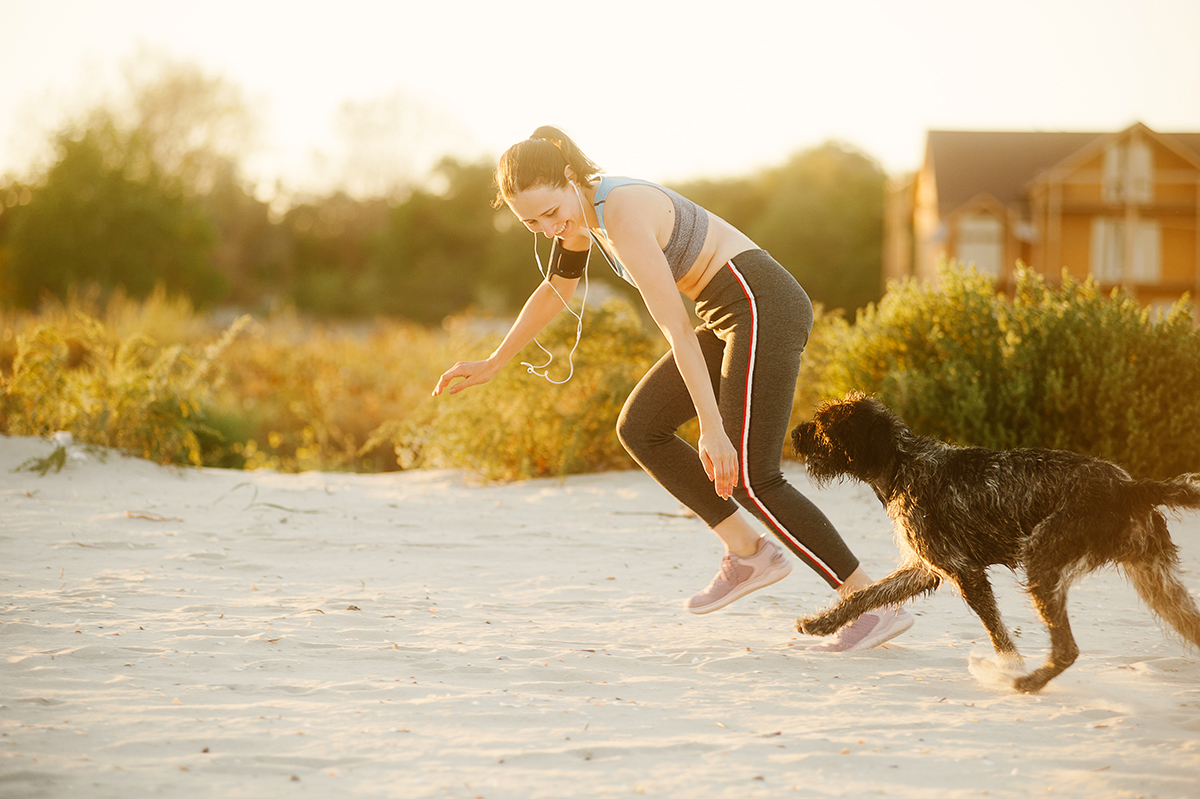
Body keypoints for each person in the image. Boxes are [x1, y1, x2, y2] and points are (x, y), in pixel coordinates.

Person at [433, 126, 912, 651]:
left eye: (551, 212)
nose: (549, 227)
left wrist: (713, 429)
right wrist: (495, 360)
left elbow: (677, 330)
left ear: (569, 177)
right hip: (727, 314)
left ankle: (870, 603)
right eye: (532, 222)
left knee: (752, 475)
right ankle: (749, 553)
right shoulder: (579, 215)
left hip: (759, 304)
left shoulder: (620, 212)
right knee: (641, 426)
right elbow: (556, 287)